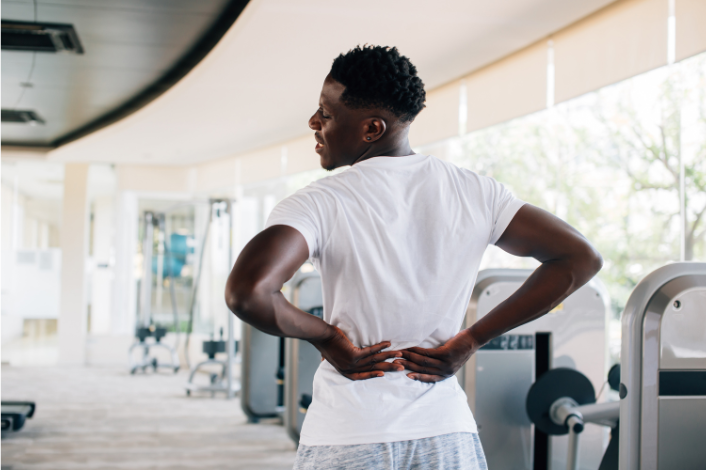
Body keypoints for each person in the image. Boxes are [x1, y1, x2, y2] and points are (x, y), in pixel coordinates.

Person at [225, 45, 602, 470]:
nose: (313, 123)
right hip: (446, 435)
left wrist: (326, 337)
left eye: (326, 114)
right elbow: (578, 259)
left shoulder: (320, 202)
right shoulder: (476, 192)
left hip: (350, 433)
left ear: (372, 128)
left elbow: (249, 293)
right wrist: (471, 339)